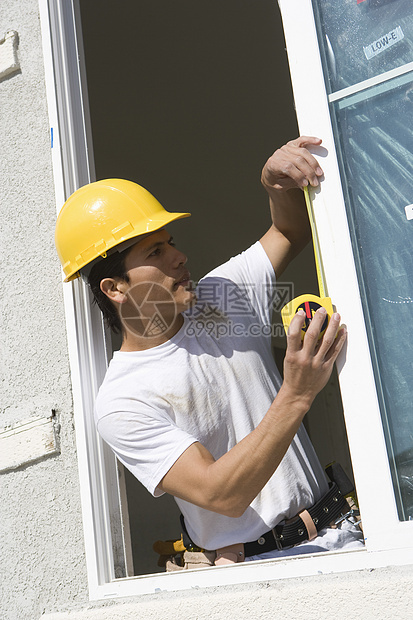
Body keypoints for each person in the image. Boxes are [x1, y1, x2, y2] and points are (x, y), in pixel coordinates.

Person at [55, 136, 363, 566]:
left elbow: (288, 231)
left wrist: (276, 185)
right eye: (156, 252)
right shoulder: (123, 401)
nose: (180, 257)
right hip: (262, 573)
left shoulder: (222, 295)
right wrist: (297, 392)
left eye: (171, 242)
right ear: (115, 287)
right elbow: (222, 494)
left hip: (341, 534)